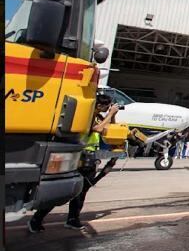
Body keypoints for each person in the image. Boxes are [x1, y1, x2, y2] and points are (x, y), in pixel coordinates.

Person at [29, 94, 121, 232]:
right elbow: (97, 129)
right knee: (62, 191)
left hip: (90, 159)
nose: (108, 109)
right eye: (107, 107)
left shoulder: (99, 117)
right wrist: (111, 113)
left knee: (82, 191)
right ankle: (36, 219)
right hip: (78, 157)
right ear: (99, 106)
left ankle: (73, 219)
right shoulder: (87, 117)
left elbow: (111, 129)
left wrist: (112, 115)